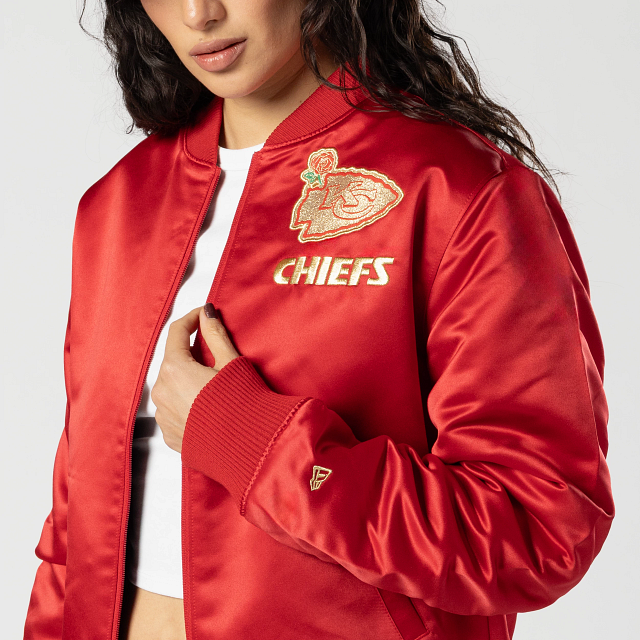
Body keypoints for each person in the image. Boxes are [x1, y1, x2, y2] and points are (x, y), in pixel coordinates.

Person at [24, 0, 614, 639]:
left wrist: (255, 445)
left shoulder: (458, 192)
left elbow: (537, 529)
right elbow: (74, 525)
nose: (198, 14)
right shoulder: (119, 204)